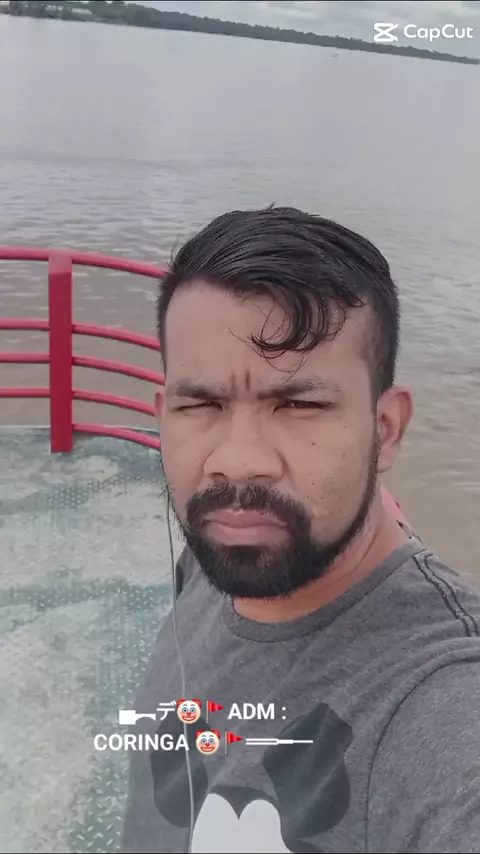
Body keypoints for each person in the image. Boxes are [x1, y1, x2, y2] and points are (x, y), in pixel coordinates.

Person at [122, 206, 480, 854]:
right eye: (200, 404)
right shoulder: (214, 554)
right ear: (163, 414)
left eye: (299, 404)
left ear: (385, 430)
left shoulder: (443, 698)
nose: (238, 462)